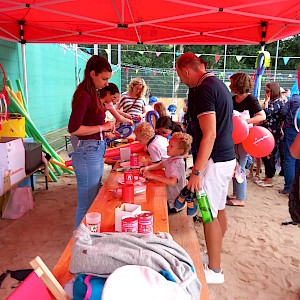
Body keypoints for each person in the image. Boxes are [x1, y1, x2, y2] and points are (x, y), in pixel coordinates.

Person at [176, 53, 236, 284]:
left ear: (186, 70)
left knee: (209, 214)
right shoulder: (216, 83)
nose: (181, 81)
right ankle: (214, 256)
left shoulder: (203, 90)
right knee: (218, 209)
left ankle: (215, 270)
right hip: (225, 158)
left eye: (181, 76)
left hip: (214, 161)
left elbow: (209, 134)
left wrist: (197, 171)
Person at [68, 55, 116, 229]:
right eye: (104, 79)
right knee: (86, 205)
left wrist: (105, 133)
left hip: (94, 149)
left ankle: (85, 241)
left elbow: (91, 125)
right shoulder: (84, 95)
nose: (106, 84)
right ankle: (79, 244)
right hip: (87, 153)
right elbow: (73, 129)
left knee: (92, 201)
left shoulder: (92, 93)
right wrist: (102, 128)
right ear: (92, 74)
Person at [226, 72, 266, 207]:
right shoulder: (232, 99)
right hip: (234, 137)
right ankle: (236, 193)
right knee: (235, 165)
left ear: (238, 84)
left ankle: (240, 198)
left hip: (245, 137)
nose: (230, 85)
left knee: (241, 166)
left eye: (232, 83)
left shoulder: (251, 99)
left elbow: (262, 116)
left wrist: (245, 121)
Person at [140, 132, 192, 213]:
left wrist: (153, 176)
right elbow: (161, 164)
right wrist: (147, 168)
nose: (167, 147)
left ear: (180, 151)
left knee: (151, 207)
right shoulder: (173, 158)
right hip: (171, 199)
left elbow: (172, 182)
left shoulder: (177, 163)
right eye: (169, 145)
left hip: (174, 205)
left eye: (171, 146)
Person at [256, 82, 284, 187]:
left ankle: (270, 179)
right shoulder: (272, 101)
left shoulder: (278, 102)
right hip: (266, 131)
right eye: (265, 90)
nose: (265, 93)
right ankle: (267, 176)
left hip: (273, 133)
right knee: (265, 154)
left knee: (270, 155)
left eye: (268, 91)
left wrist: (266, 103)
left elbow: (267, 113)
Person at [279, 93, 300, 195]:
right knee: (298, 161)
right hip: (298, 131)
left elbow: (283, 113)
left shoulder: (293, 99)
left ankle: (288, 188)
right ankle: (297, 189)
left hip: (291, 130)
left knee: (289, 159)